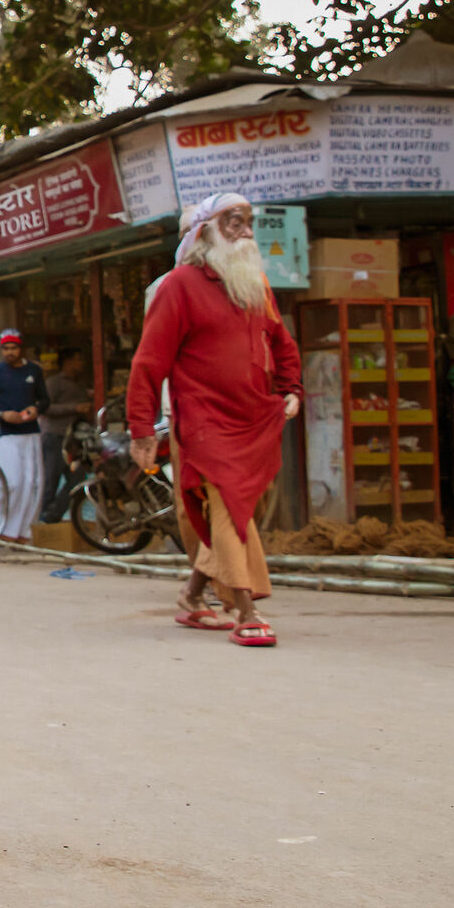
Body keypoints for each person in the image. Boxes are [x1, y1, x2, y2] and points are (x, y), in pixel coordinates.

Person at [127, 193, 304, 647]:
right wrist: (142, 429)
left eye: (248, 222)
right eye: (233, 222)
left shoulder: (254, 285)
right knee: (228, 506)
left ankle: (193, 595)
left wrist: (290, 389)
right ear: (205, 233)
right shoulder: (179, 286)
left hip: (253, 416)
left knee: (252, 505)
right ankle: (246, 609)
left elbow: (282, 344)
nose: (245, 231)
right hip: (203, 420)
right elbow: (148, 364)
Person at [0, 329, 51, 544]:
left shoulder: (34, 371)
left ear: (21, 349)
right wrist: (2, 415)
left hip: (31, 434)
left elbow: (45, 400)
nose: (9, 352)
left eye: (13, 348)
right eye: (5, 348)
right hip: (8, 435)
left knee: (32, 482)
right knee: (12, 483)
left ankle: (24, 531)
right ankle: (1, 527)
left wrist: (35, 410)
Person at [41, 347, 92, 521]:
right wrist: (74, 407)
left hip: (74, 440)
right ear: (68, 361)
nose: (82, 363)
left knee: (77, 480)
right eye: (79, 359)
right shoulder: (53, 383)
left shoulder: (80, 383)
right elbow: (45, 408)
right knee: (50, 482)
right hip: (55, 437)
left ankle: (51, 517)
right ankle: (41, 523)